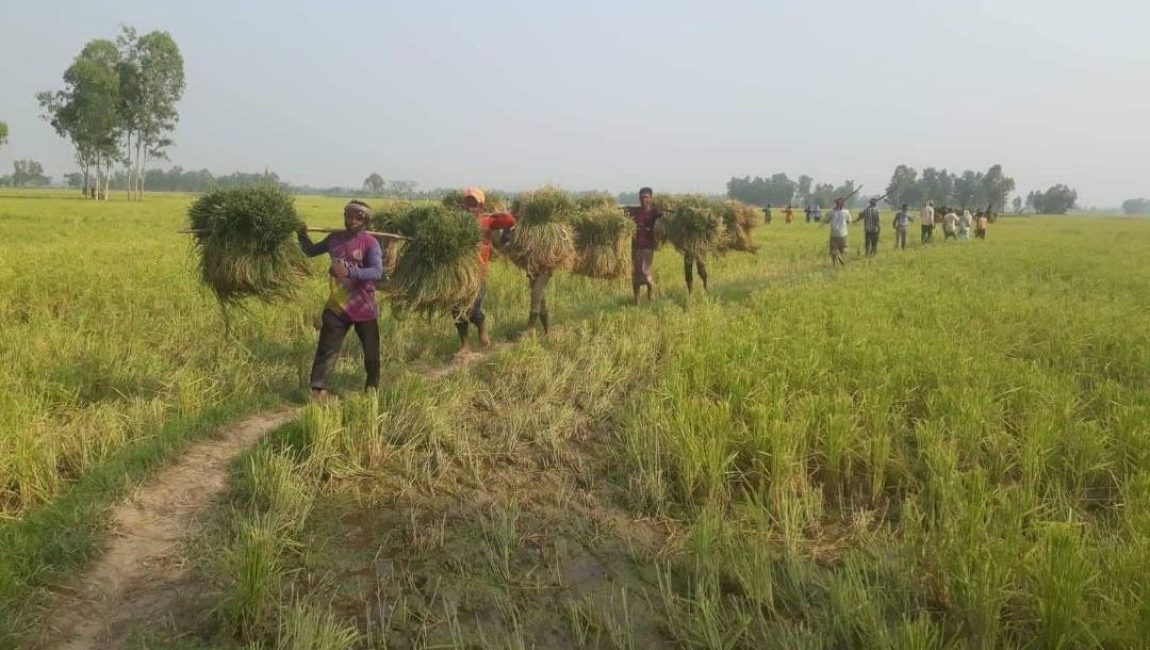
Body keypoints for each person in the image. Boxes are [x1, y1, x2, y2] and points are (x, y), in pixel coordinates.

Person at [298, 200, 385, 401]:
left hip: (364, 307)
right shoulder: (334, 239)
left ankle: (372, 389)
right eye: (348, 215)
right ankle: (318, 390)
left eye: (358, 217)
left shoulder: (370, 243)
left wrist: (348, 271)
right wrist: (301, 234)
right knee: (326, 349)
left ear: (366, 221)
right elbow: (310, 251)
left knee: (371, 353)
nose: (352, 220)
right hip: (337, 305)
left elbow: (377, 271)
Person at [456, 188, 516, 356]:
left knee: (473, 310)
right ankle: (465, 345)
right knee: (456, 310)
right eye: (467, 203)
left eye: (474, 204)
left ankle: (482, 329)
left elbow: (510, 221)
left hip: (478, 274)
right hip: (458, 274)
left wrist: (497, 214)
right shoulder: (457, 222)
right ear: (462, 204)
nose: (470, 207)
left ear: (480, 206)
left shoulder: (487, 222)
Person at [627, 187, 661, 304]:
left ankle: (650, 294)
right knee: (636, 274)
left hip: (648, 247)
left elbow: (663, 222)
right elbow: (623, 212)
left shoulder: (654, 212)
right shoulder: (634, 211)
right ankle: (636, 300)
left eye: (646, 197)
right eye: (641, 197)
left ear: (651, 198)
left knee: (645, 273)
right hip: (635, 246)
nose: (643, 200)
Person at [825, 197, 852, 265]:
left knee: (833, 249)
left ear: (836, 204)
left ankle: (834, 263)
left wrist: (827, 215)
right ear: (843, 204)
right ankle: (841, 257)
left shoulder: (831, 212)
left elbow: (827, 221)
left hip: (834, 233)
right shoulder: (846, 212)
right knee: (844, 248)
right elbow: (849, 221)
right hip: (843, 233)